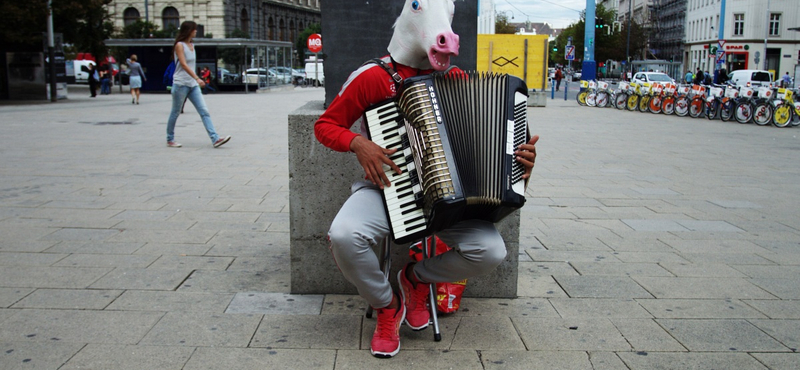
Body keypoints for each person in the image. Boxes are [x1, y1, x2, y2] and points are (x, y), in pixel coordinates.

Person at [314, 1, 539, 359]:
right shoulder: (373, 76)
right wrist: (359, 143)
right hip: (387, 189)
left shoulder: (457, 80)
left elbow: (496, 143)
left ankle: (416, 279)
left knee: (492, 252)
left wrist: (521, 160)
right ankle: (387, 305)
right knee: (344, 235)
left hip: (451, 201)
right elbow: (325, 126)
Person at [165, 21, 231, 148]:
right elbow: (183, 65)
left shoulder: (191, 45)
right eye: (194, 29)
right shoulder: (180, 45)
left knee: (204, 111)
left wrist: (195, 80)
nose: (196, 31)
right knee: (175, 112)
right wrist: (197, 78)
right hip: (180, 84)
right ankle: (170, 138)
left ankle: (215, 138)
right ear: (188, 30)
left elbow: (191, 65)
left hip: (192, 85)